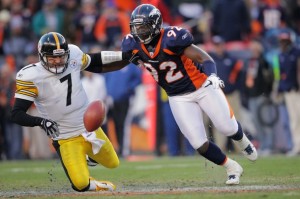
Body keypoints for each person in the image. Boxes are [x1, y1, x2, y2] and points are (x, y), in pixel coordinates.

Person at [122, 4, 257, 185]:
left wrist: (212, 76)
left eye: (143, 26)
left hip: (202, 87)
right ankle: (232, 167)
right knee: (198, 144)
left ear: (155, 25)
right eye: (136, 27)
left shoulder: (172, 38)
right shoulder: (132, 45)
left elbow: (205, 58)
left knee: (226, 128)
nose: (139, 31)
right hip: (177, 96)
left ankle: (242, 140)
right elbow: (121, 60)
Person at [10, 32, 131, 192]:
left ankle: (88, 157)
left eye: (61, 57)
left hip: (88, 128)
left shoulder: (74, 54)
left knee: (113, 163)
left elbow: (96, 61)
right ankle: (98, 183)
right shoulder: (31, 76)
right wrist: (41, 121)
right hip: (65, 137)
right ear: (41, 56)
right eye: (52, 57)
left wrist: (127, 57)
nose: (58, 61)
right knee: (81, 184)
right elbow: (16, 113)